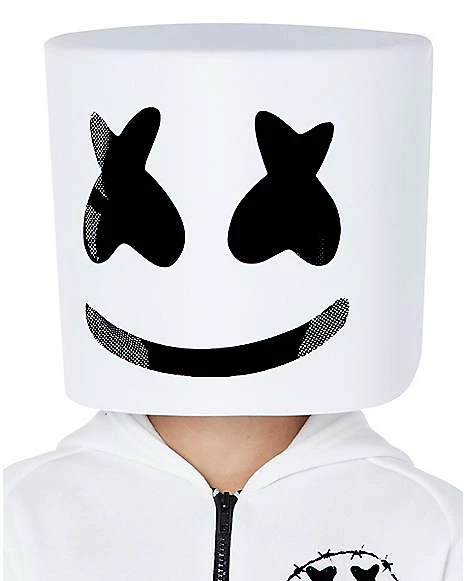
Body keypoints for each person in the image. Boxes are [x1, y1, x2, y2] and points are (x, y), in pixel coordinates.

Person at [4, 24, 462, 581]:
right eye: (130, 220)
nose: (212, 300)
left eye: (288, 226)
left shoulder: (433, 531)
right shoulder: (21, 521)